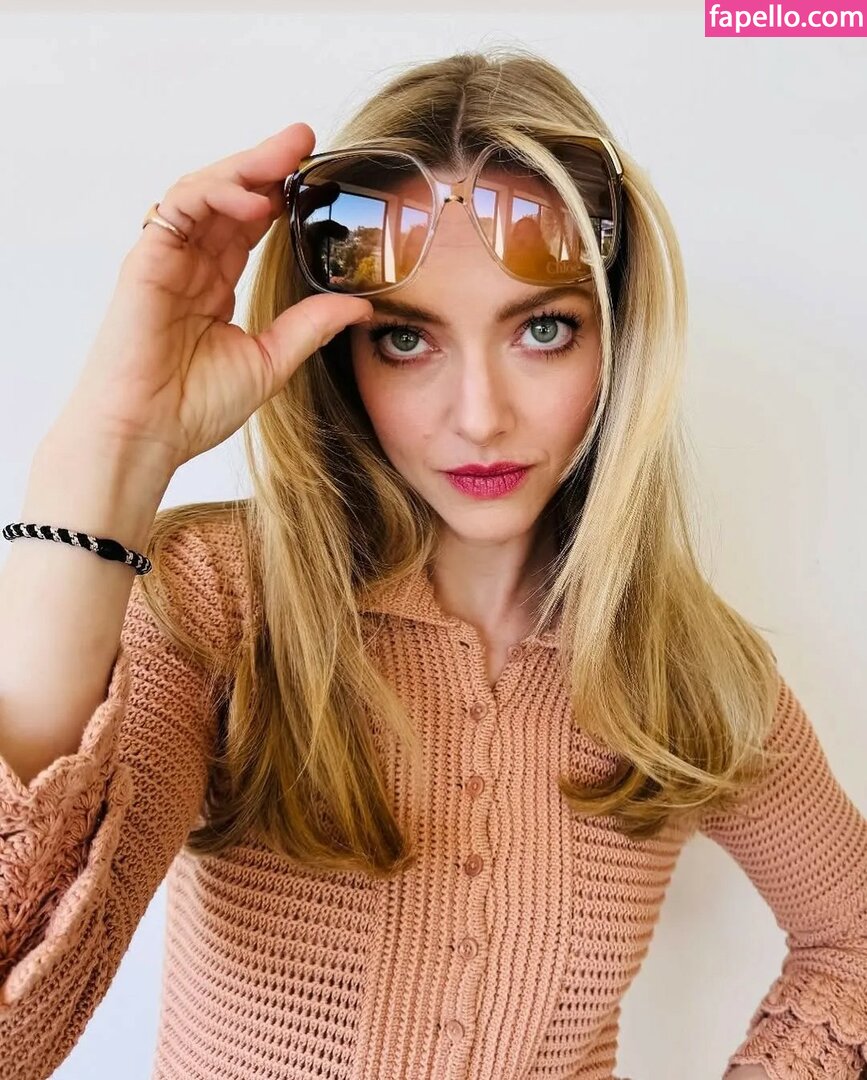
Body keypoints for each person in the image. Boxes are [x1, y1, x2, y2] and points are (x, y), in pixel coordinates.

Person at [0, 47, 864, 1080]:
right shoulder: (219, 601)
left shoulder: (685, 667)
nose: (480, 416)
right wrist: (109, 450)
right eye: (407, 340)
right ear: (342, 354)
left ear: (618, 340)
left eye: (542, 328)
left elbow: (851, 937)